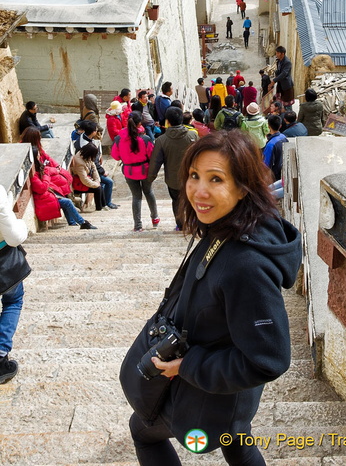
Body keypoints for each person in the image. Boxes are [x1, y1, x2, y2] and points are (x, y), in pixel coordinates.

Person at [123, 131, 301, 466]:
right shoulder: (231, 224)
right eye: (194, 176)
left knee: (142, 430)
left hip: (205, 399)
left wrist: (186, 366)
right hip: (228, 397)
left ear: (243, 186)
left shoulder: (246, 265)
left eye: (215, 179)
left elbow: (269, 359)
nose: (198, 192)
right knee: (235, 438)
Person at [147, 106, 197, 230]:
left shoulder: (161, 140)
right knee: (192, 200)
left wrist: (150, 177)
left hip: (173, 179)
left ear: (167, 121)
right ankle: (195, 223)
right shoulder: (192, 136)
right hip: (192, 177)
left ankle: (180, 225)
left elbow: (156, 161)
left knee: (176, 201)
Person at [111, 111, 159, 232]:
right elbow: (152, 155)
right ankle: (155, 217)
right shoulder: (145, 139)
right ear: (140, 123)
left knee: (136, 197)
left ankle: (138, 225)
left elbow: (115, 156)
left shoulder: (119, 139)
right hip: (145, 170)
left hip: (129, 171)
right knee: (149, 192)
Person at [0, 185, 28, 384]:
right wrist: (22, 225)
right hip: (3, 262)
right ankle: (0, 355)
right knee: (13, 300)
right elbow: (14, 236)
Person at [31, 147, 96, 229]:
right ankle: (82, 222)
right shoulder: (33, 176)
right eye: (37, 156)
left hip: (49, 194)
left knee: (65, 200)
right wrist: (46, 176)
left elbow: (52, 170)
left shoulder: (39, 169)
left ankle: (72, 222)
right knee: (67, 202)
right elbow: (42, 188)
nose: (39, 157)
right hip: (43, 198)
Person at [263, 115, 288, 181]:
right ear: (280, 126)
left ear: (268, 126)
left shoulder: (270, 145)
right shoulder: (284, 137)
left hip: (274, 177)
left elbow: (266, 165)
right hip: (283, 173)